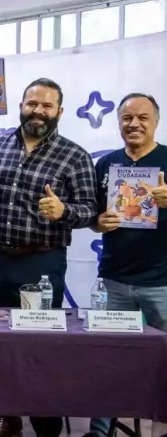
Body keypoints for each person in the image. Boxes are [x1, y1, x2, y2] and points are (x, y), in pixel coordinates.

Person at [0, 78, 98, 437]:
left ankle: (46, 424)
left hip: (42, 263)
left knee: (40, 349)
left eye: (47, 106)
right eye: (32, 104)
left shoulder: (75, 156)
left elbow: (91, 211)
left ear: (59, 112)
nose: (39, 111)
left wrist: (65, 210)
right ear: (21, 106)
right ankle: (9, 418)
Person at [87, 93, 167, 437]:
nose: (134, 124)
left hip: (162, 281)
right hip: (113, 279)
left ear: (156, 122)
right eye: (127, 118)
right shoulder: (106, 165)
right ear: (118, 121)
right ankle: (100, 430)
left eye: (143, 118)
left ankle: (161, 430)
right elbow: (92, 216)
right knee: (106, 359)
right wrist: (97, 222)